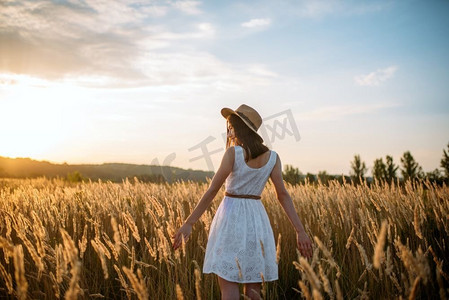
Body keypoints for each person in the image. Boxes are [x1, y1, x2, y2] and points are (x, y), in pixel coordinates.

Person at [172, 104, 313, 300]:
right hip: (257, 221)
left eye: (230, 126)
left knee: (229, 288)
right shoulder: (273, 158)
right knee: (253, 290)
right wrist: (300, 231)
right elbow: (283, 195)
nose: (228, 130)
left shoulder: (233, 153)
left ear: (238, 128)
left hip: (230, 219)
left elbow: (213, 190)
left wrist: (189, 223)